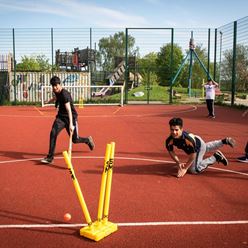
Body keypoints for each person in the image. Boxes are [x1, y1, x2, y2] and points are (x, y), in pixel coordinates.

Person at [41, 76, 95, 164]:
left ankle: (87, 140)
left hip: (71, 118)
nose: (54, 88)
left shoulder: (65, 94)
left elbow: (69, 110)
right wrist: (49, 101)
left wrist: (71, 124)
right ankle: (50, 157)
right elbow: (56, 98)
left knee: (75, 140)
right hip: (61, 118)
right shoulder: (57, 92)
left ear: (59, 84)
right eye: (53, 86)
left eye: (56, 86)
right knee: (53, 133)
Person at [165, 117, 236, 178]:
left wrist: (185, 168)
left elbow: (193, 154)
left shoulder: (188, 140)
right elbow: (171, 151)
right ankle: (224, 141)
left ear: (181, 129)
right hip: (197, 141)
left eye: (176, 130)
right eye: (172, 129)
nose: (174, 132)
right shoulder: (169, 140)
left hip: (197, 144)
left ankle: (216, 157)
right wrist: (178, 163)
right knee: (205, 148)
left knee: (193, 170)